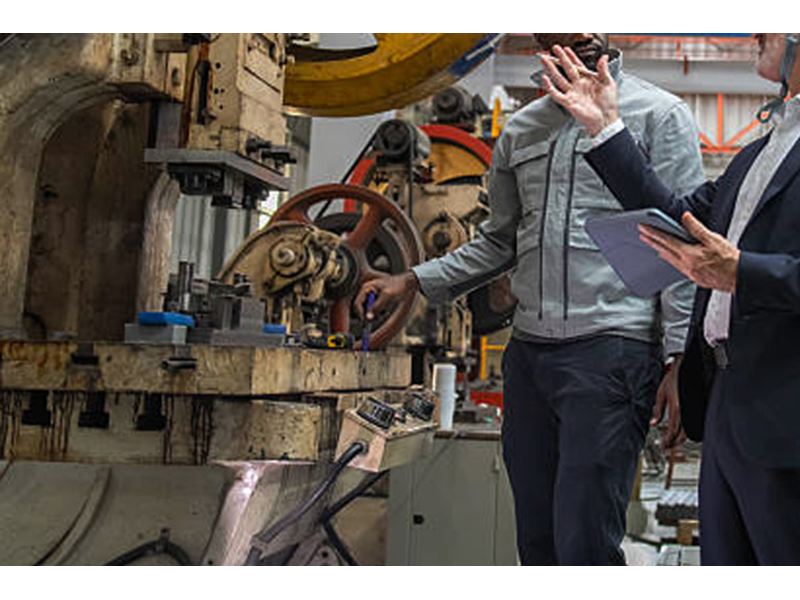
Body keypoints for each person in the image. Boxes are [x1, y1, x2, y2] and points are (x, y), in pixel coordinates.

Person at [356, 34, 705, 565]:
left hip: (612, 353)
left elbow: (683, 244)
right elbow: (499, 242)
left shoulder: (659, 116)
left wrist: (681, 357)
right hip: (530, 358)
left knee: (585, 540)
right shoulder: (522, 129)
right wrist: (414, 280)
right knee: (536, 542)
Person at [540, 33, 800, 565]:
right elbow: (672, 219)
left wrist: (742, 273)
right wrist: (605, 127)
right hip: (727, 399)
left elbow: (739, 269)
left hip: (785, 408)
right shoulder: (757, 154)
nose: (756, 33)